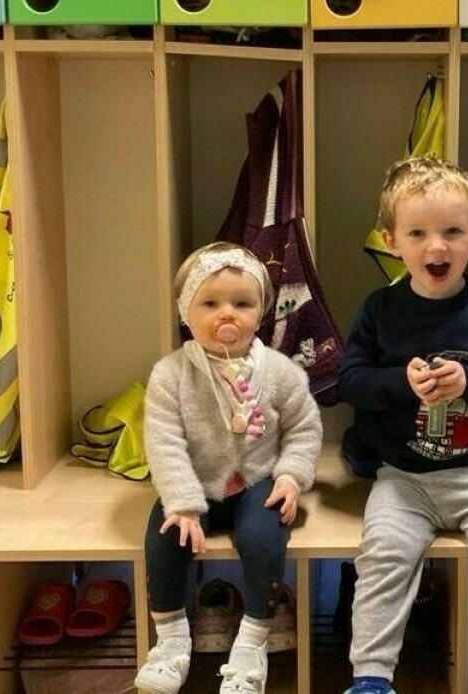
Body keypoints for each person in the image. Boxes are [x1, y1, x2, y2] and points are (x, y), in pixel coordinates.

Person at [339, 155, 468, 694]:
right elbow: (349, 383)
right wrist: (399, 383)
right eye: (419, 233)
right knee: (382, 559)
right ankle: (370, 680)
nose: (438, 247)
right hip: (403, 479)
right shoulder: (380, 310)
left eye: (453, 232)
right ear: (391, 240)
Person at [135, 242, 322, 694]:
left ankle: (253, 640)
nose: (227, 315)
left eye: (242, 304)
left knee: (263, 537)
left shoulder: (279, 371)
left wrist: (291, 476)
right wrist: (181, 501)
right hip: (194, 481)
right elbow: (163, 440)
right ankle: (172, 639)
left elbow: (304, 427)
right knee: (164, 536)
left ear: (260, 312)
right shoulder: (171, 374)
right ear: (186, 312)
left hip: (257, 479)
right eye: (211, 303)